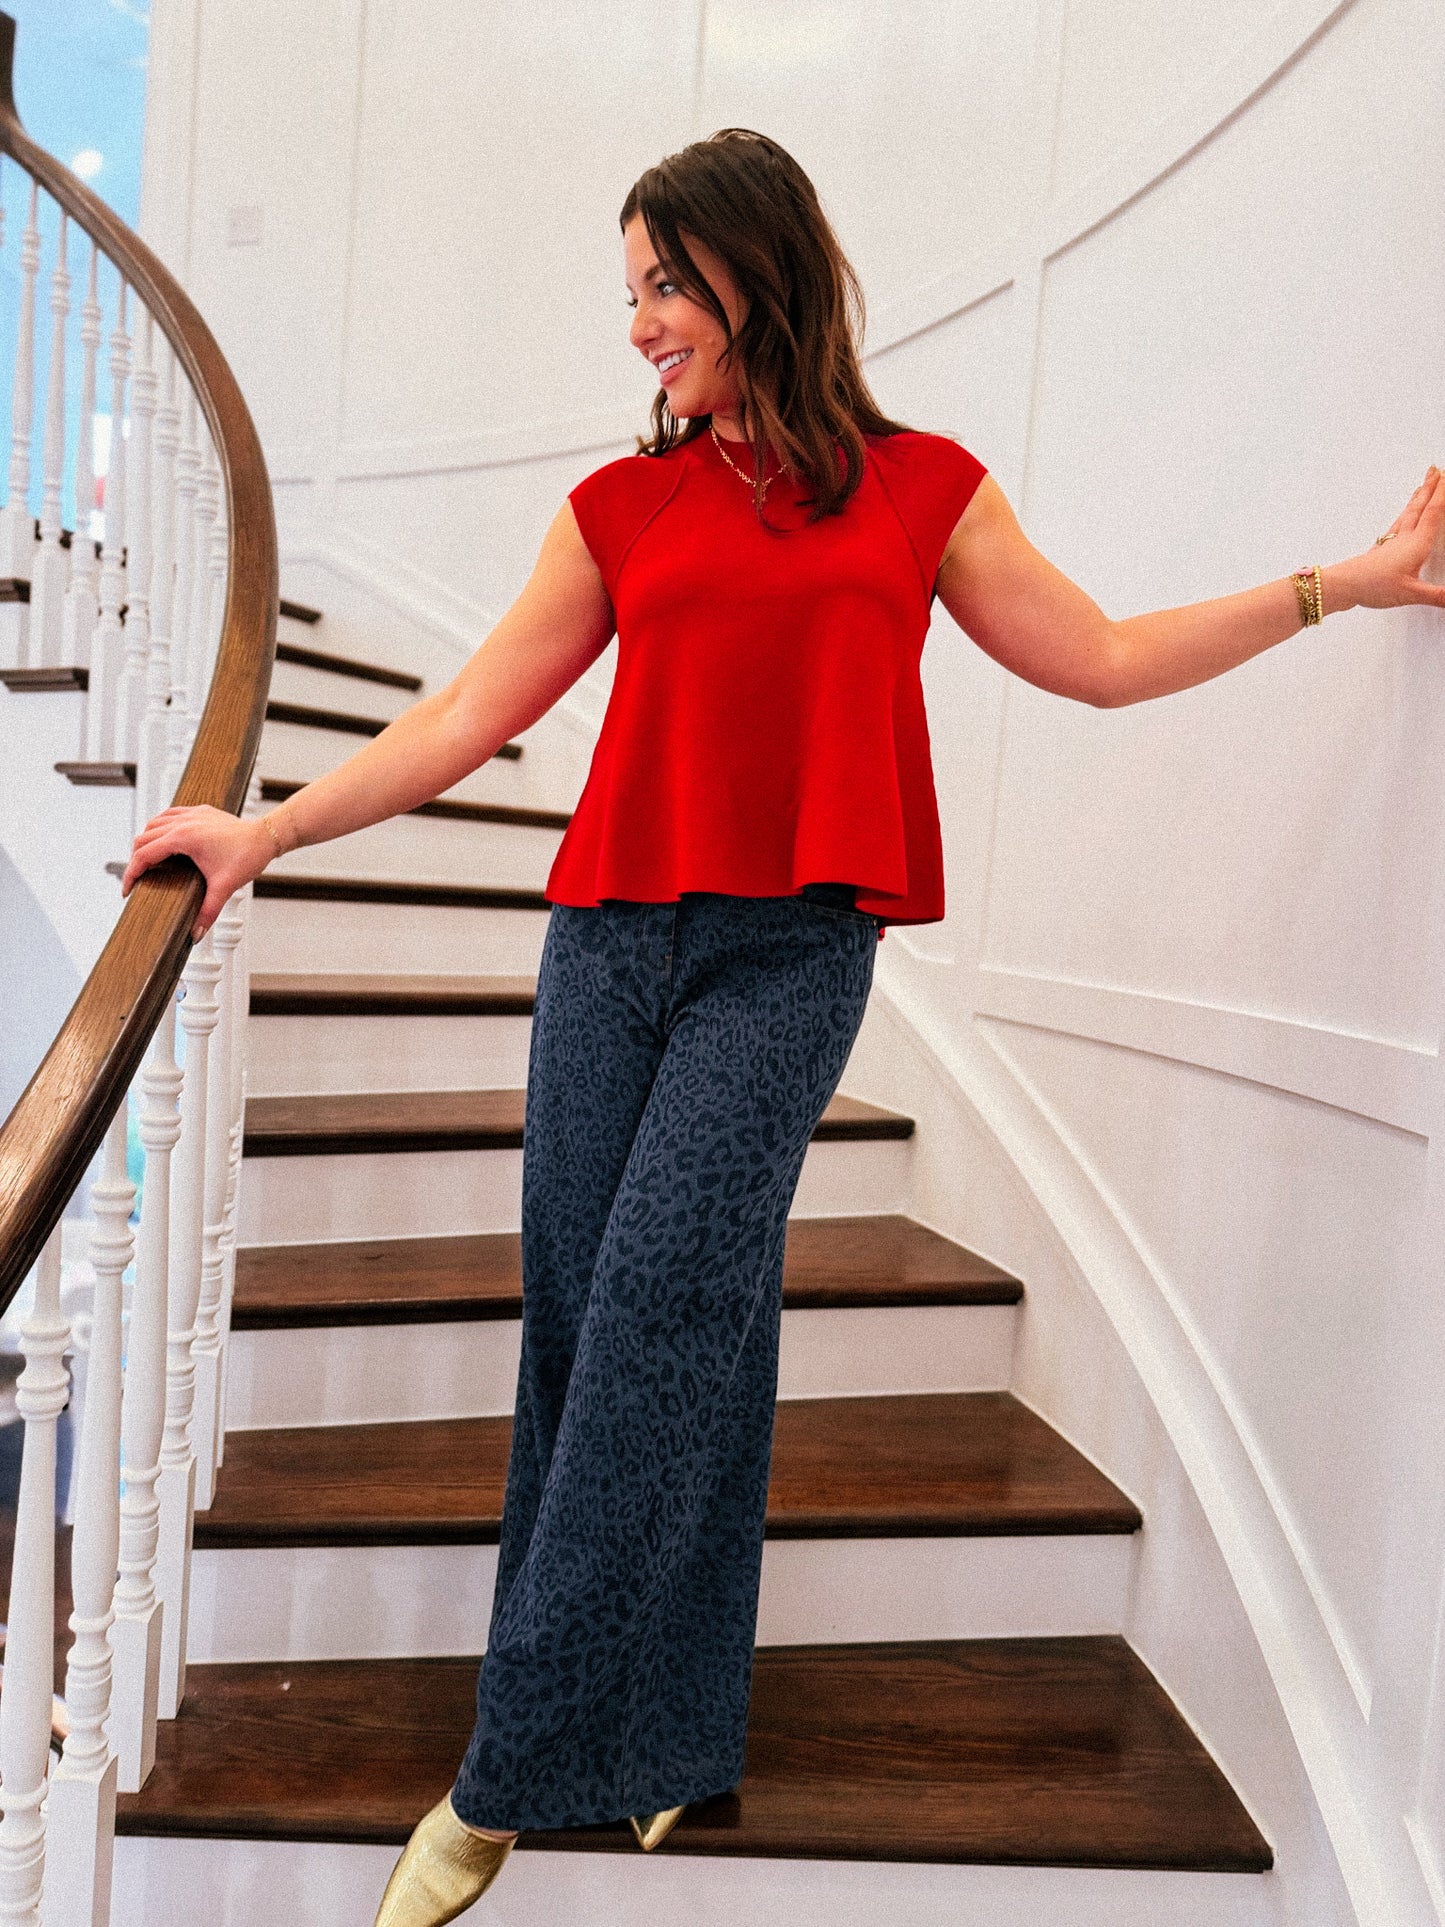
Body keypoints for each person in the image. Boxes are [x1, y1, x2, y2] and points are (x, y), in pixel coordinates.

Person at [121, 127, 1445, 1926]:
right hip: (607, 948)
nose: (644, 324)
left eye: (667, 284)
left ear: (761, 271)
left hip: (790, 956)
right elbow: (459, 721)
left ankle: (502, 1779)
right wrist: (264, 830)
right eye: (632, 295)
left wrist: (1339, 586)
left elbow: (1106, 655)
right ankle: (665, 1731)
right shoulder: (619, 508)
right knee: (613, 1337)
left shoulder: (921, 490)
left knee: (669, 1304)